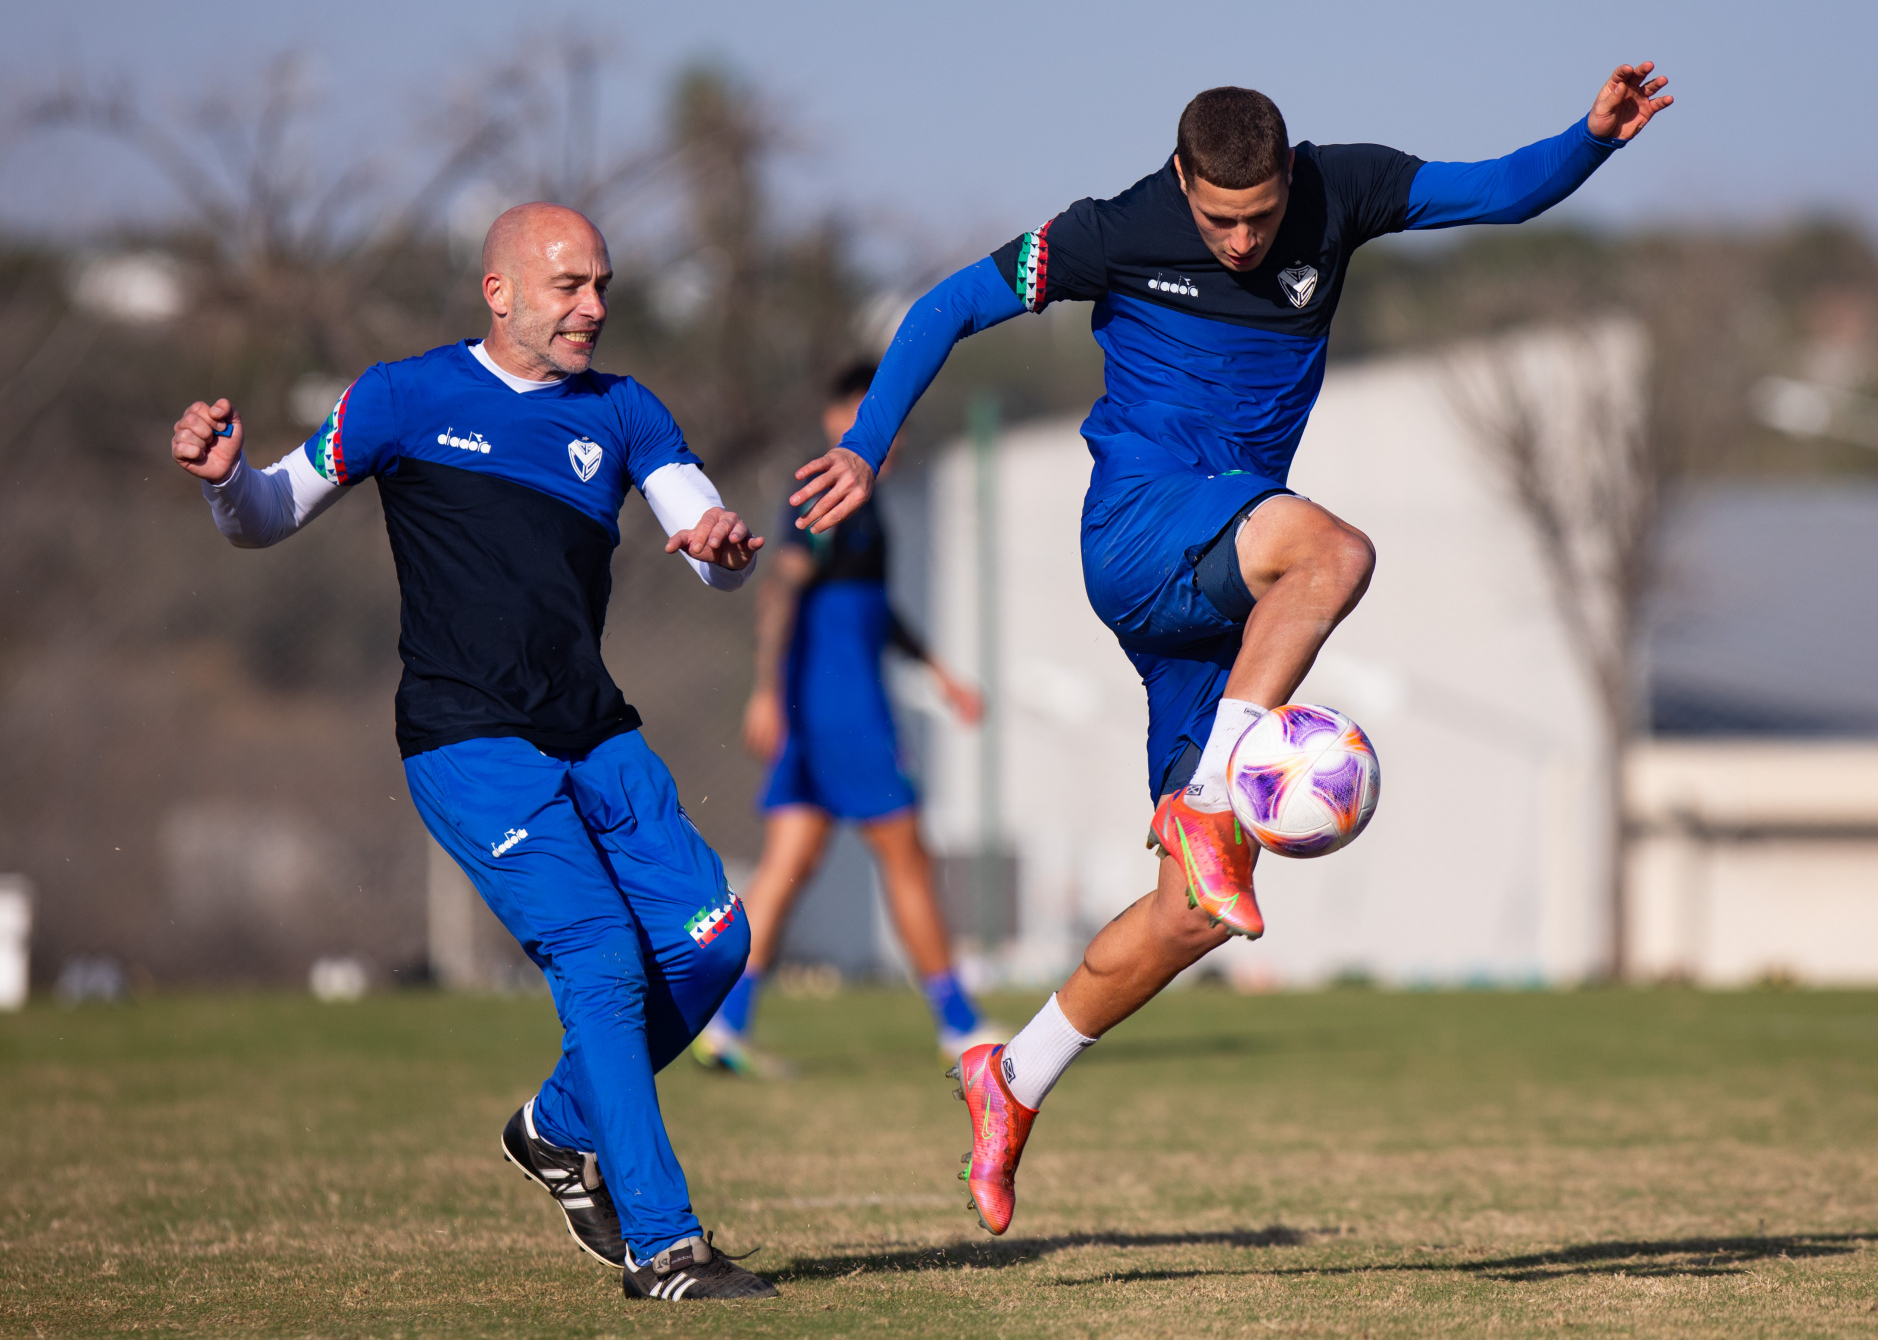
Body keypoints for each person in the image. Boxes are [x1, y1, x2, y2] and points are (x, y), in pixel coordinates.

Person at [788, 65, 1676, 1235]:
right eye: (1220, 219)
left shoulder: (1339, 192)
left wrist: (1590, 139)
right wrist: (869, 445)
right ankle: (1211, 798)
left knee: (1193, 913)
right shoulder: (1112, 230)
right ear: (1179, 183)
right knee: (1335, 556)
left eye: (1260, 216)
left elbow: (1496, 195)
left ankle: (1011, 1078)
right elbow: (949, 302)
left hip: (1218, 600)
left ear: (1288, 176)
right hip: (1142, 530)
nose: (1245, 238)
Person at [169, 203, 779, 1303]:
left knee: (711, 944)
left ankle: (554, 1125)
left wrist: (720, 548)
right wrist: (223, 478)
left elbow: (704, 538)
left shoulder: (625, 411)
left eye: (602, 285)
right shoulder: (398, 398)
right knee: (596, 956)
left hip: (595, 732)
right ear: (498, 293)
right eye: (568, 286)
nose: (593, 307)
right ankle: (665, 1248)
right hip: (467, 740)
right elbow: (265, 515)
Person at [691, 362, 1005, 1076]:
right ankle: (959, 1024)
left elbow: (873, 606)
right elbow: (781, 589)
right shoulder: (830, 492)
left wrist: (941, 674)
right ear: (841, 417)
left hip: (818, 709)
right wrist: (766, 690)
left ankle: (727, 1023)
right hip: (843, 710)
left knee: (787, 864)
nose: (884, 432)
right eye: (872, 413)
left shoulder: (862, 504)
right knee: (906, 856)